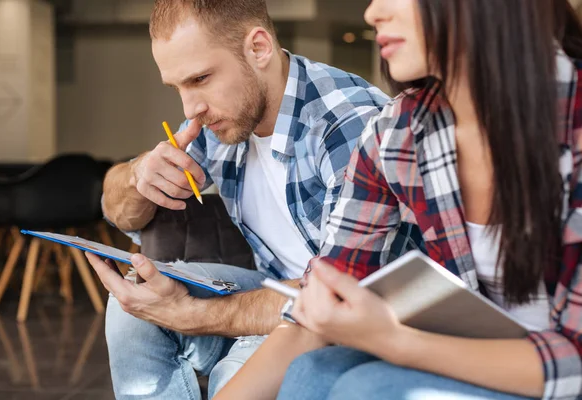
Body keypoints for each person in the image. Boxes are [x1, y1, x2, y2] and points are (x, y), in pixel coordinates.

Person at [215, 0, 582, 399]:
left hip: (558, 374)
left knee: (367, 387)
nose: (372, 14)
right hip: (473, 355)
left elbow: (575, 360)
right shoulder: (398, 131)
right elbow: (320, 302)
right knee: (311, 372)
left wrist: (395, 342)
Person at [86, 1, 422, 399]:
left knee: (236, 370)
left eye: (200, 79)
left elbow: (344, 292)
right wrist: (139, 174)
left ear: (258, 48)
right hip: (280, 291)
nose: (189, 107)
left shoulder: (345, 125)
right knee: (132, 309)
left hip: (355, 309)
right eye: (177, 87)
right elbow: (118, 212)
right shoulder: (218, 119)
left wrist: (194, 316)